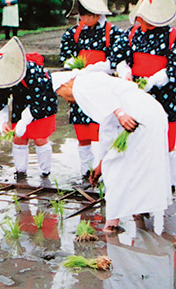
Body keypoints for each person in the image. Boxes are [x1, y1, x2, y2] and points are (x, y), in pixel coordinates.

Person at [53, 70, 172, 233]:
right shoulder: (95, 79)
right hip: (151, 112)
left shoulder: (81, 85)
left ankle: (111, 224)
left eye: (61, 94)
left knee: (115, 168)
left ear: (65, 85)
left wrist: (120, 114)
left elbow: (109, 106)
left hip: (136, 116)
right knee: (142, 164)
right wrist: (100, 163)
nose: (65, 99)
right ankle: (139, 209)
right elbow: (108, 129)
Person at [111, 0, 176, 191]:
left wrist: (154, 80)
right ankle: (141, 180)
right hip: (136, 93)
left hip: (165, 95)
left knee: (166, 140)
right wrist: (124, 69)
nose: (142, 22)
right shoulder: (132, 34)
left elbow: (173, 68)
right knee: (138, 135)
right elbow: (120, 57)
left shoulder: (172, 36)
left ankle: (168, 183)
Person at [59, 0, 123, 179]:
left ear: (99, 14)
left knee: (103, 128)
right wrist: (74, 66)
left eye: (90, 16)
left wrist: (97, 68)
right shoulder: (73, 33)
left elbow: (117, 59)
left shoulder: (114, 32)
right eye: (82, 15)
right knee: (82, 131)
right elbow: (66, 56)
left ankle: (104, 169)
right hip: (80, 86)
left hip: (103, 86)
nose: (85, 20)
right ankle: (85, 170)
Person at [0, 39, 58, 180]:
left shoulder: (34, 71)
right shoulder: (2, 74)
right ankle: (20, 173)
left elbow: (39, 99)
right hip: (20, 104)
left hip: (43, 104)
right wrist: (2, 121)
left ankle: (46, 173)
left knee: (40, 138)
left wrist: (25, 120)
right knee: (19, 138)